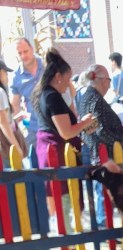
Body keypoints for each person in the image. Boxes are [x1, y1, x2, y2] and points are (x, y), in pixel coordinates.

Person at [32, 48, 97, 232]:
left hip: (50, 150)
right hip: (58, 152)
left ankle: (65, 235)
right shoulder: (53, 97)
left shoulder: (42, 94)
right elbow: (66, 132)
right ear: (58, 76)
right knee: (65, 199)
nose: (69, 84)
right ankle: (68, 236)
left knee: (58, 200)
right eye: (68, 80)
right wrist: (85, 122)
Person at [77, 64, 123, 228]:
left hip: (95, 150)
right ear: (101, 81)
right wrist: (118, 141)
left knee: (101, 191)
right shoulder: (95, 100)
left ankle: (104, 222)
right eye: (108, 80)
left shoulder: (86, 97)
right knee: (103, 191)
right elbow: (99, 130)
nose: (110, 84)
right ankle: (104, 223)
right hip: (103, 152)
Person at [10, 37, 43, 151]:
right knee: (35, 163)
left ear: (32, 49)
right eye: (20, 53)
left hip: (53, 123)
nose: (23, 56)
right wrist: (20, 126)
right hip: (32, 127)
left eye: (25, 51)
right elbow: (15, 105)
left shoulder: (46, 66)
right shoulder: (16, 76)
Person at [0, 58, 25, 163]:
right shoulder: (0, 92)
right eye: (5, 72)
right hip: (6, 145)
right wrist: (17, 148)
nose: (7, 76)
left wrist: (13, 119)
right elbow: (3, 123)